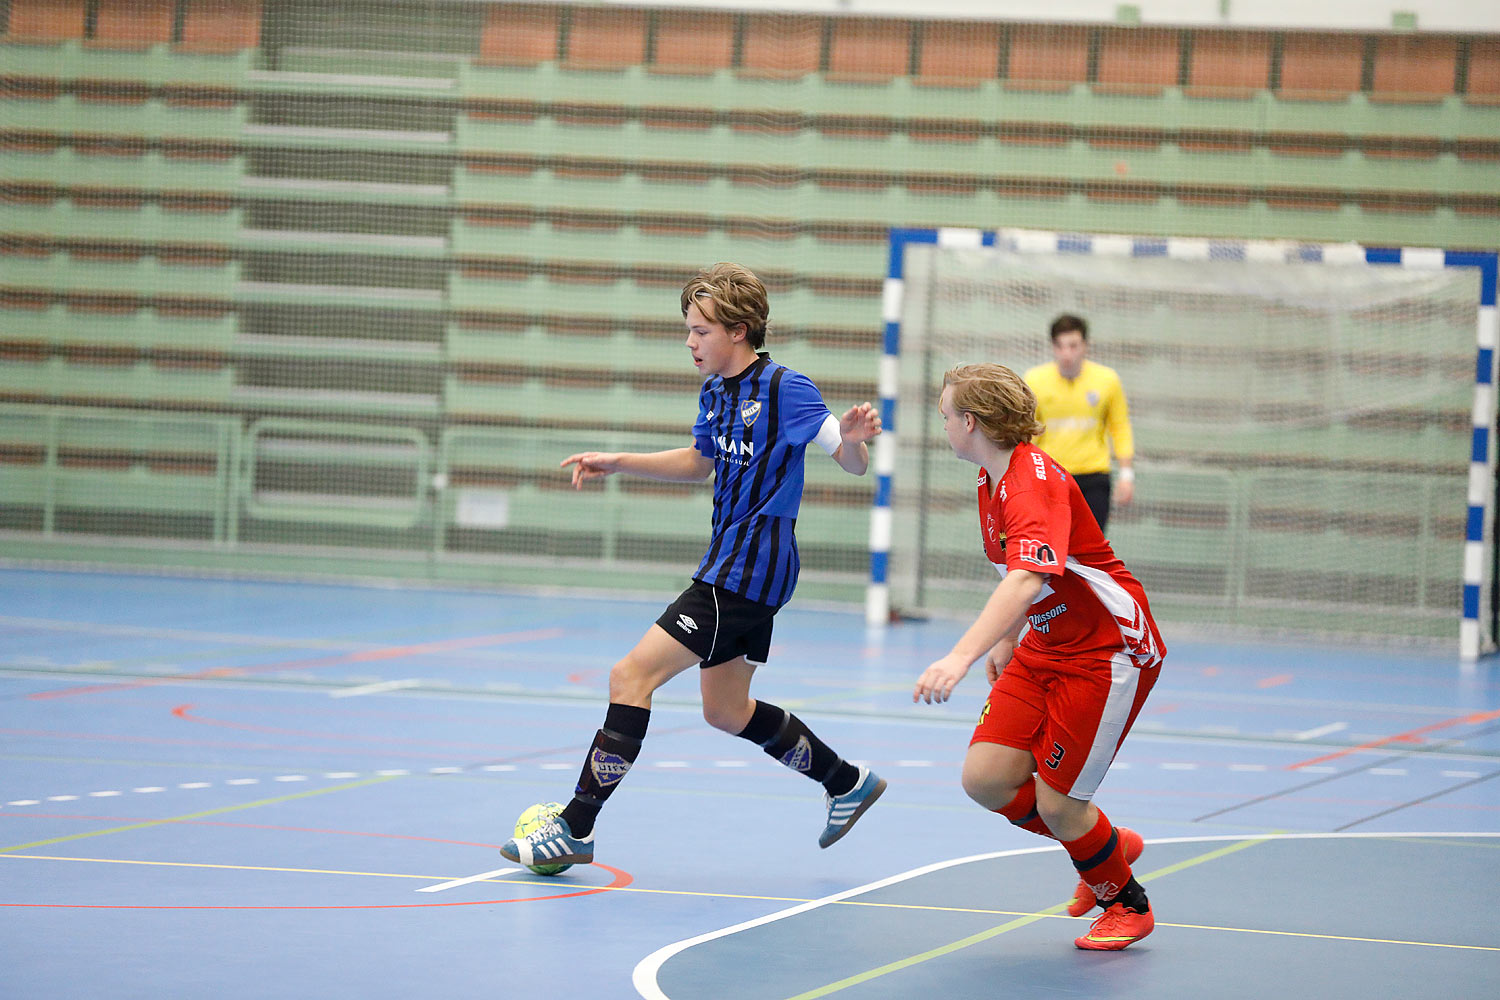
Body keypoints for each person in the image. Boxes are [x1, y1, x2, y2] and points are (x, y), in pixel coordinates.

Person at [501, 263, 887, 869]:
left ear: (738, 331)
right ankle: (846, 782)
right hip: (733, 564)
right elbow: (699, 462)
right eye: (688, 330)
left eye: (701, 331)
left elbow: (851, 462)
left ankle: (575, 826)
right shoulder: (714, 390)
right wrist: (618, 461)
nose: (690, 342)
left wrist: (856, 437)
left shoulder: (787, 389)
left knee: (631, 677)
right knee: (725, 710)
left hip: (746, 570)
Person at [912, 363, 1165, 951]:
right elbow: (1022, 575)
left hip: (1106, 651)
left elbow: (1027, 577)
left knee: (1058, 802)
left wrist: (962, 656)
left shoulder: (1030, 483)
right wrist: (1007, 640)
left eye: (946, 414)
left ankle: (1124, 900)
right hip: (1046, 643)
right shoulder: (990, 478)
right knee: (987, 779)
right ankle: (1102, 842)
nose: (943, 422)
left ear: (969, 422)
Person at [1023, 314, 1134, 533]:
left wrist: (1126, 474)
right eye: (1060, 346)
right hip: (1050, 478)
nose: (1067, 354)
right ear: (1052, 347)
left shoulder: (1107, 380)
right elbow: (1028, 432)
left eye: (1073, 346)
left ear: (1085, 346)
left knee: (1089, 554)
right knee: (1051, 551)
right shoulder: (1035, 380)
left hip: (1094, 477)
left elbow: (1119, 426)